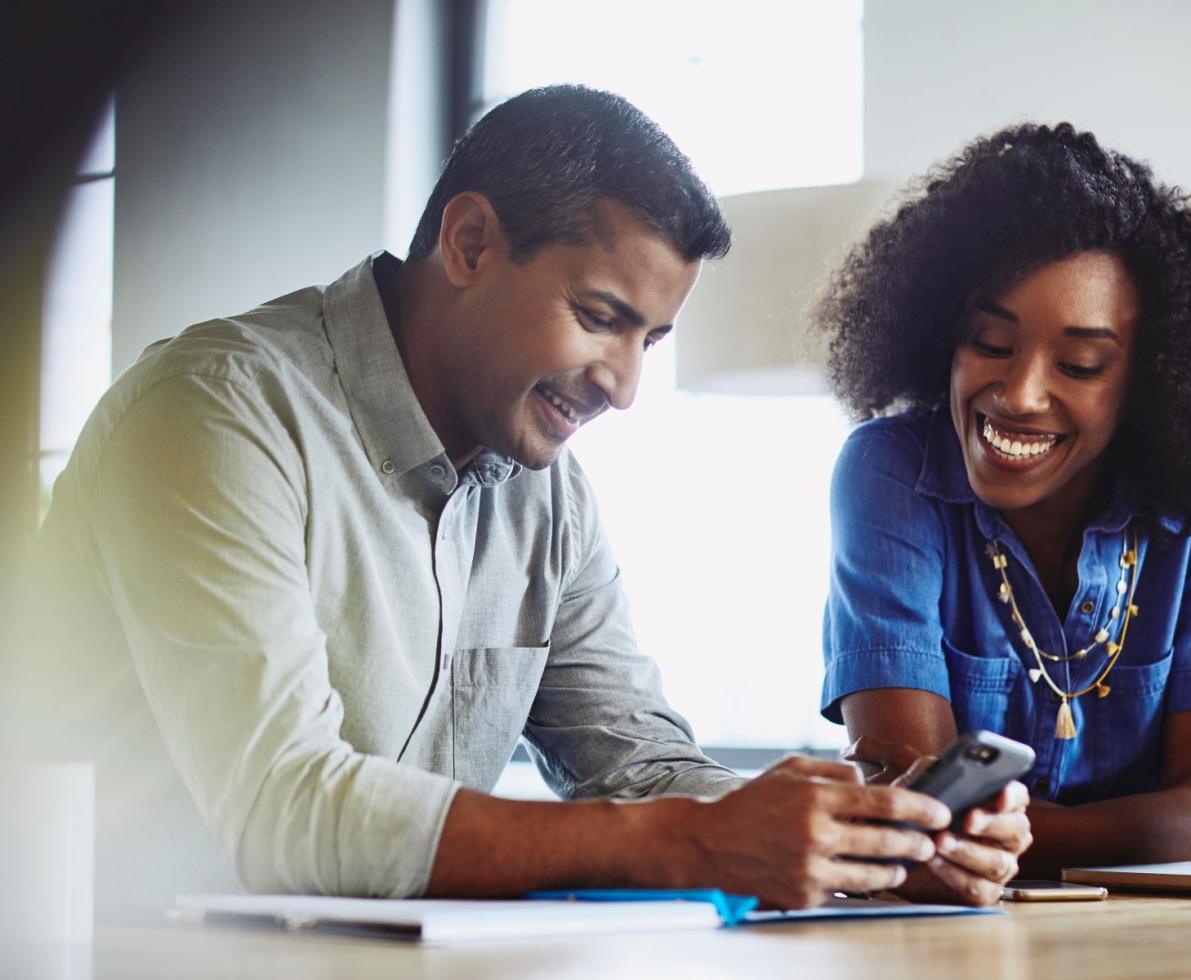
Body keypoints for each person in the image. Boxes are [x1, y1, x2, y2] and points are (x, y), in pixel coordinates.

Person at [6, 85, 958, 915]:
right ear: (468, 243)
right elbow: (285, 812)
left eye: (650, 342)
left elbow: (638, 768)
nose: (623, 387)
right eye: (599, 319)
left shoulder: (546, 494)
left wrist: (863, 838)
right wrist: (689, 842)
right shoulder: (214, 412)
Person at [817, 122, 1191, 891]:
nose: (1018, 395)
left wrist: (1012, 833)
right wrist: (1131, 827)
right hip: (938, 935)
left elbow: (946, 826)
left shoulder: (1177, 517)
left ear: (1147, 380)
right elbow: (918, 815)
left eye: (1080, 363)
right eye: (989, 343)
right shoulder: (891, 474)